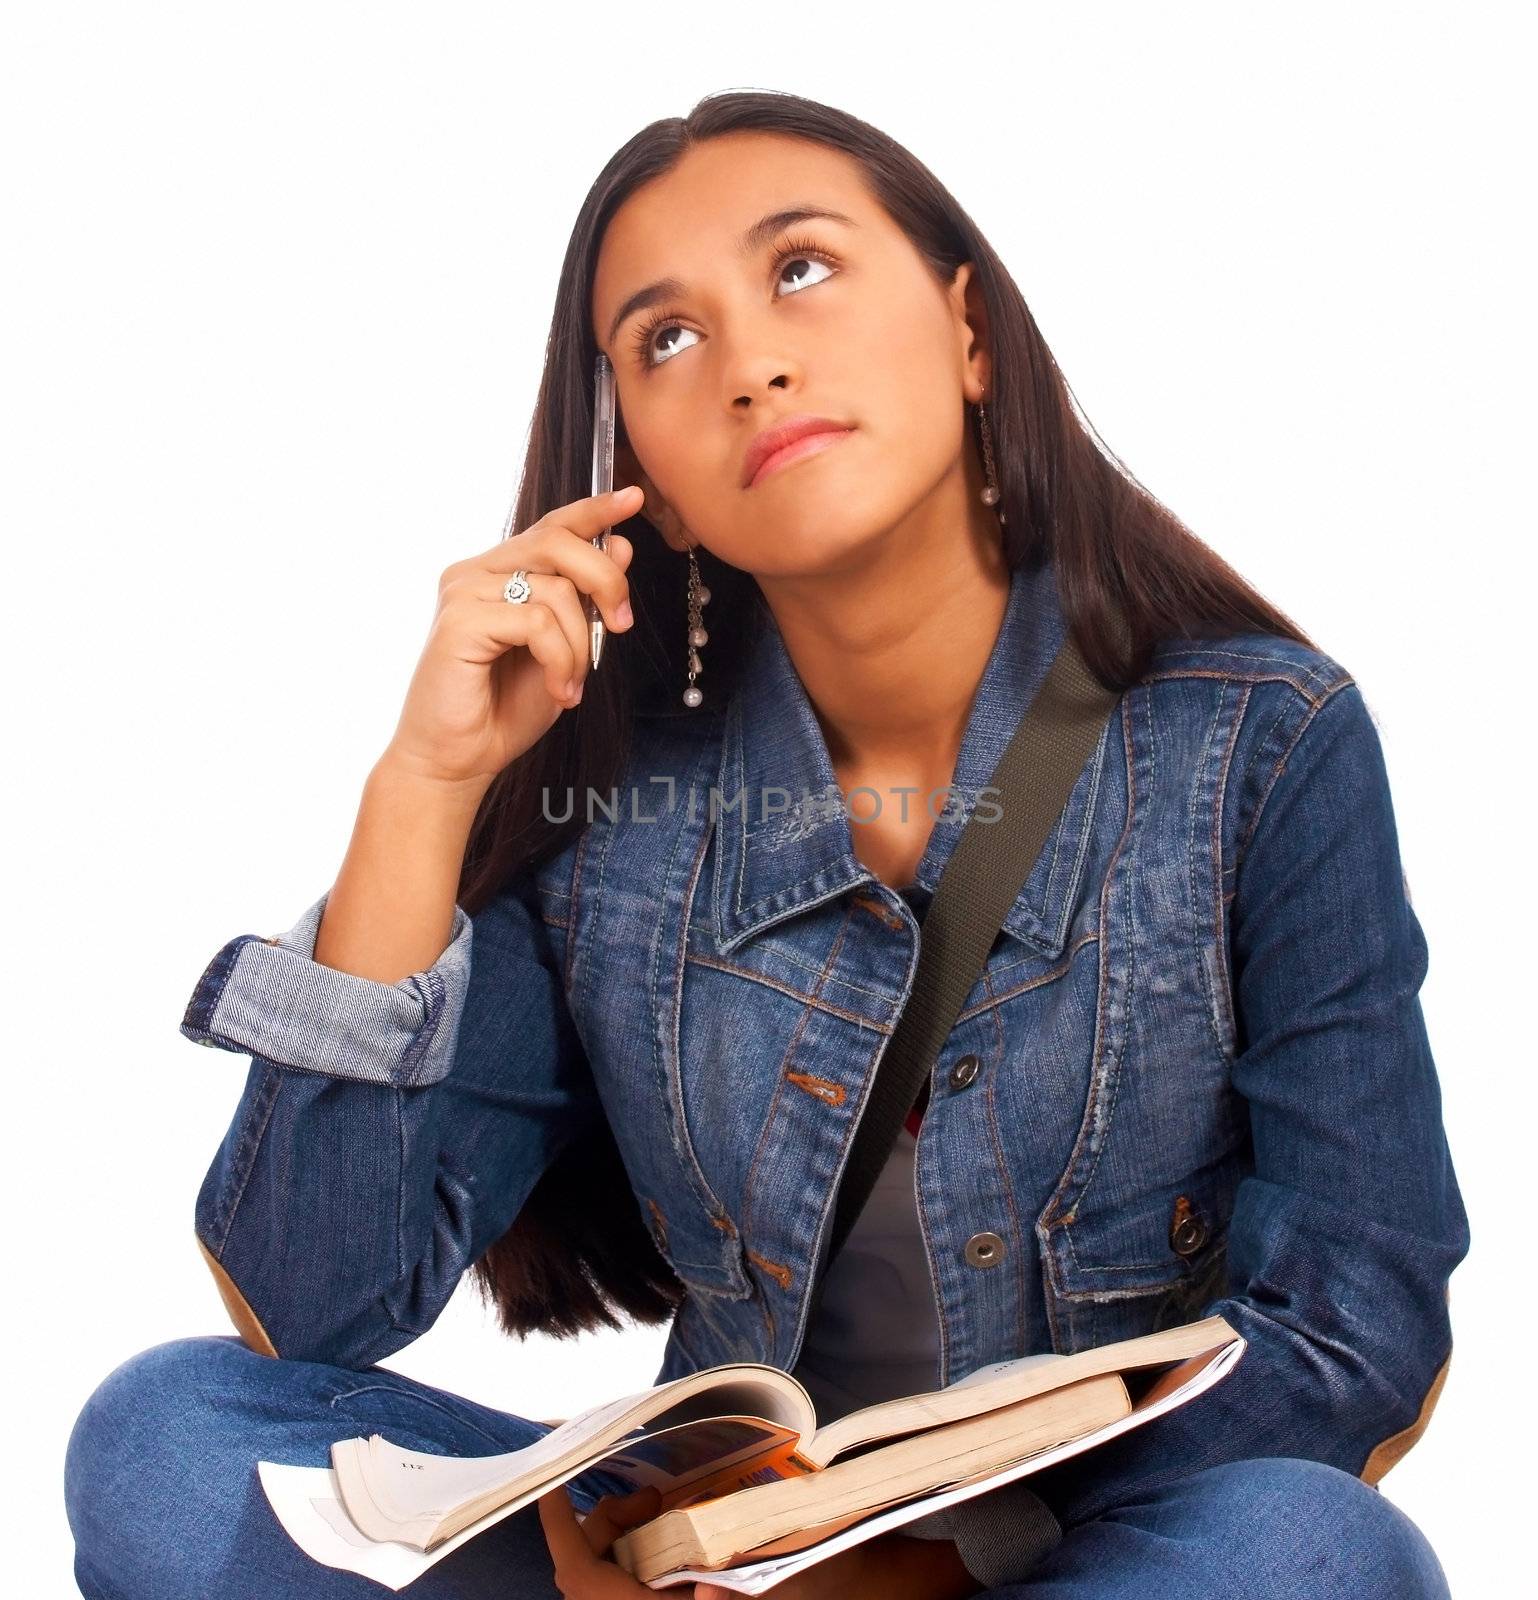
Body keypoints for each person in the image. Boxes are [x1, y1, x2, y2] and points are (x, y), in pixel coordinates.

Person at [63, 88, 1467, 1599]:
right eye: (667, 339)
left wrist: (894, 1568)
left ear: (969, 328)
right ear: (646, 479)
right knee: (164, 1435)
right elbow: (307, 1300)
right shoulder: (612, 811)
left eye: (799, 267)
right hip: (701, 1552)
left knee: (1313, 1552)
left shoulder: (1262, 744)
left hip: (1083, 1555)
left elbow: (1349, 1327)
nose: (752, 363)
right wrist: (424, 786)